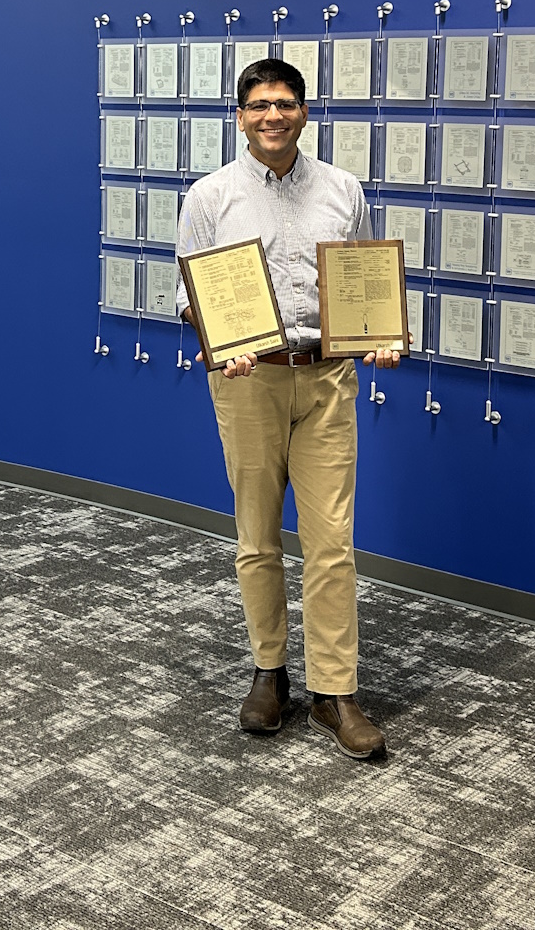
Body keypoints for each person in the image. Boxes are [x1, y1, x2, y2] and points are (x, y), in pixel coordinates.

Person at [174, 57, 400, 760]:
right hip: (249, 383)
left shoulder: (343, 189)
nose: (274, 115)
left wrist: (379, 336)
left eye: (286, 103)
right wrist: (221, 341)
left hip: (327, 377)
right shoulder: (210, 196)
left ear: (305, 112)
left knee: (332, 541)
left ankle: (336, 693)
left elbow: (362, 280)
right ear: (240, 117)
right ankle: (270, 673)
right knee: (257, 536)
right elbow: (189, 297)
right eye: (259, 105)